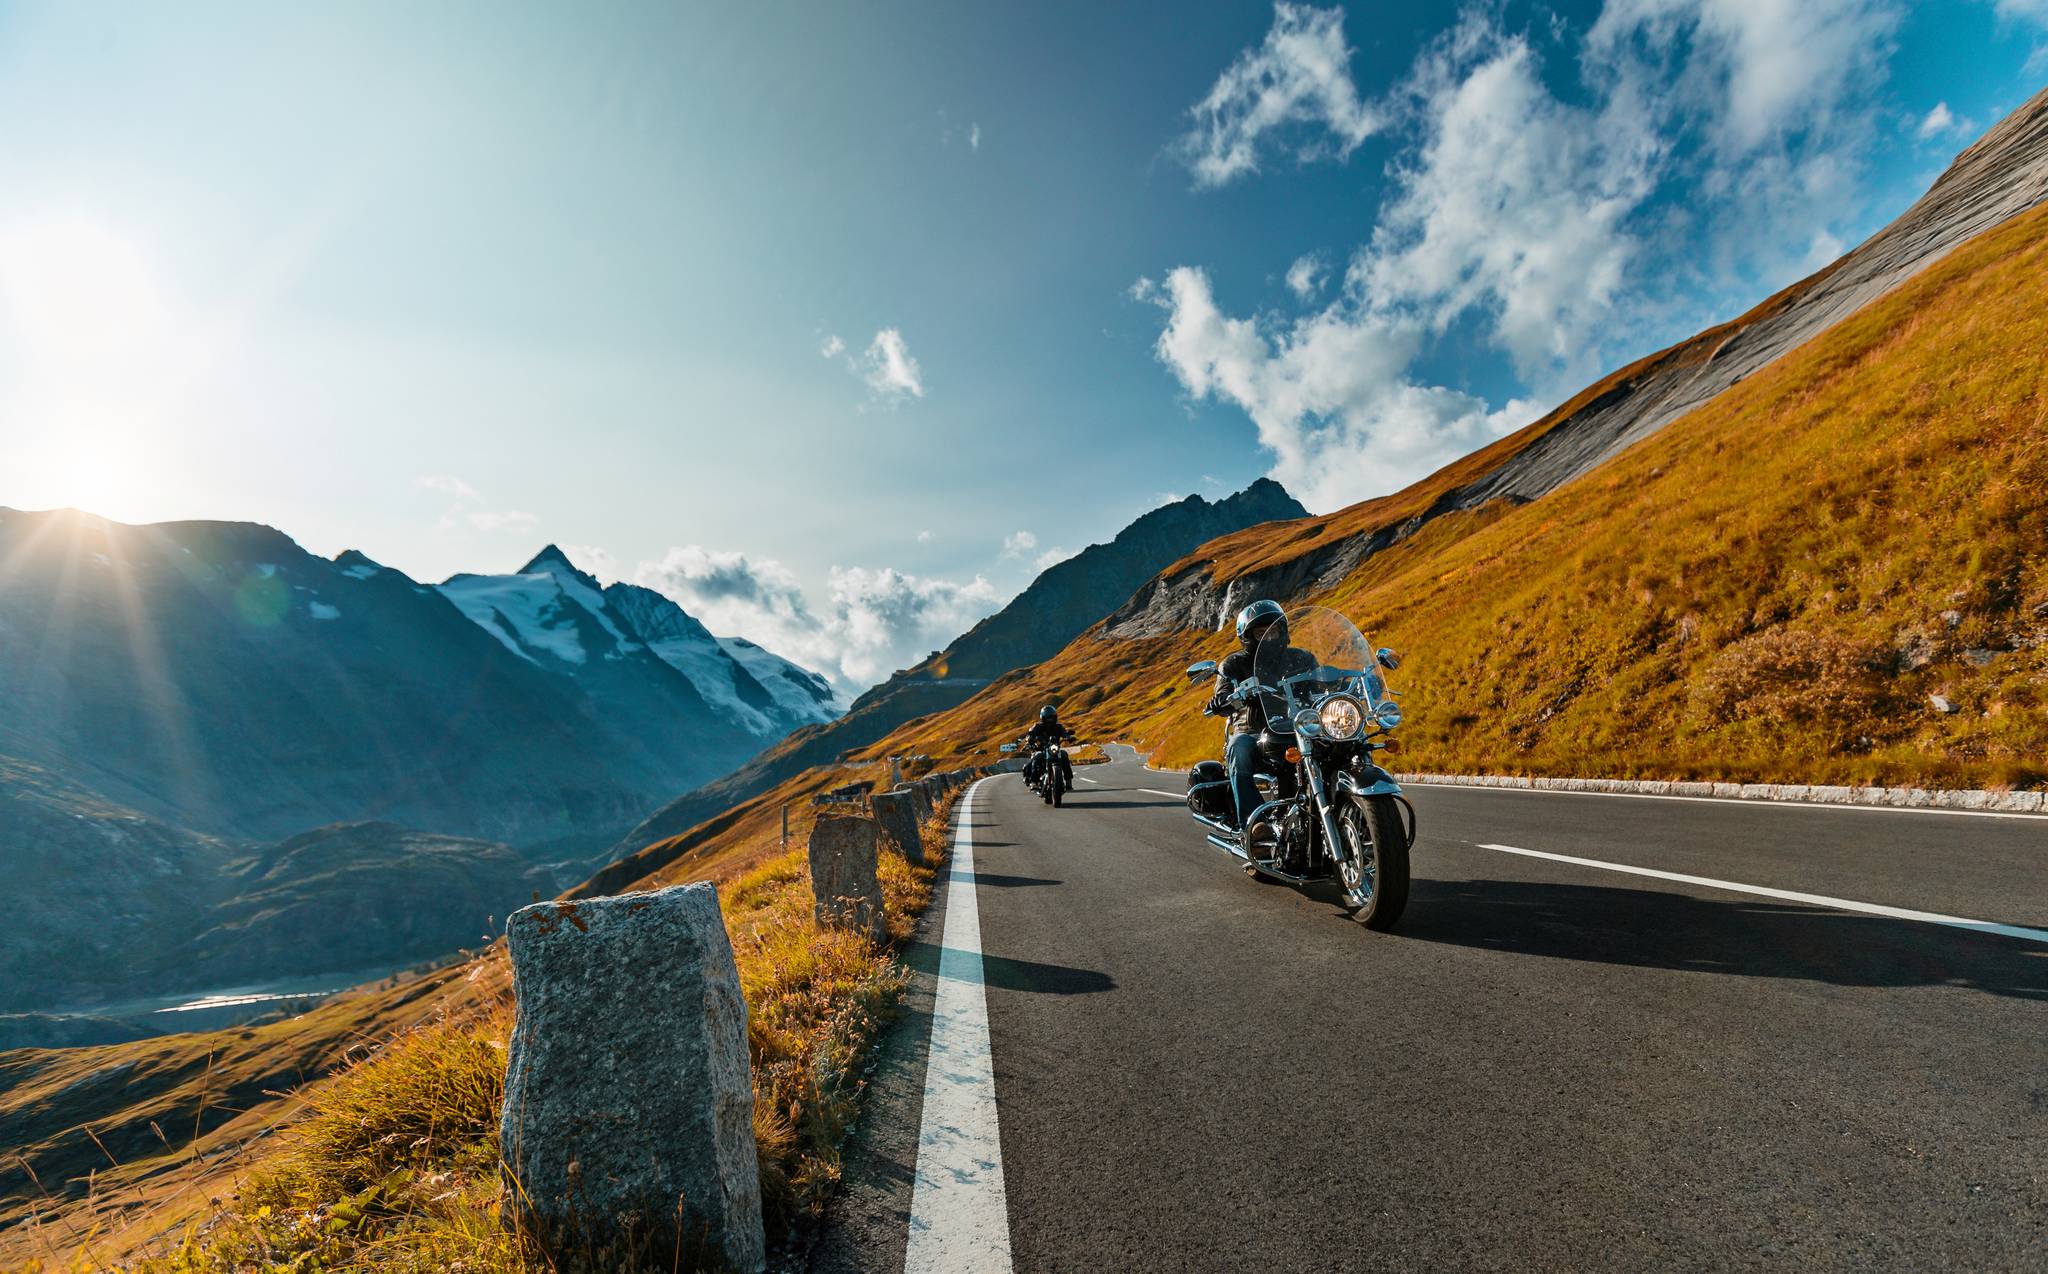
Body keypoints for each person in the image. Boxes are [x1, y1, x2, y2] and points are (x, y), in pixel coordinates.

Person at [1206, 600, 1316, 831]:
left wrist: (1347, 682)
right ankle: (1255, 825)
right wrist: (1224, 699)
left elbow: (1321, 682)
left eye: (1273, 629)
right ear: (1247, 637)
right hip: (1253, 730)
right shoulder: (1234, 664)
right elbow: (1224, 692)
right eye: (1260, 632)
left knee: (1341, 744)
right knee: (1239, 748)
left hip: (1298, 726)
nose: (1268, 636)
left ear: (1283, 630)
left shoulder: (1302, 658)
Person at [1020, 704, 1075, 793]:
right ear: (1043, 718)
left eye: (1052, 717)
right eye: (1048, 717)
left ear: (1055, 717)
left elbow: (1064, 733)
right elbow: (1030, 733)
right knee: (1037, 757)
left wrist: (1068, 737)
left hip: (1055, 750)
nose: (1050, 719)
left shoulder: (1058, 727)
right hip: (1041, 749)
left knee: (1064, 755)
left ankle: (1068, 782)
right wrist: (1029, 738)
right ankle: (1034, 782)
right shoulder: (1037, 726)